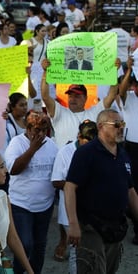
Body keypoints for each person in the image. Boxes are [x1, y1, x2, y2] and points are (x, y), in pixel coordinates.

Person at [65, 109, 138, 273]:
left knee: (109, 269)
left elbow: (131, 191)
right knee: (93, 268)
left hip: (115, 226)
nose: (120, 128)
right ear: (101, 126)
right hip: (91, 226)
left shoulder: (123, 154)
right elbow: (69, 187)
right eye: (116, 125)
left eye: (122, 124)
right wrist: (73, 223)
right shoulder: (86, 153)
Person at [4, 111, 58, 274]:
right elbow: (13, 170)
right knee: (25, 244)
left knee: (39, 245)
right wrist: (32, 150)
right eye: (36, 129)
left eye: (44, 129)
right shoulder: (17, 143)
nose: (40, 134)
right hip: (21, 204)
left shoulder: (52, 145)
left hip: (45, 205)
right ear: (27, 128)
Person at [51, 120, 97, 269]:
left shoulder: (97, 150)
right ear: (78, 136)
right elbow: (56, 181)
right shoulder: (65, 152)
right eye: (86, 141)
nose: (90, 144)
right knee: (76, 253)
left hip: (91, 212)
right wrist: (78, 185)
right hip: (69, 213)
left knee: (90, 252)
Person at [41, 59, 117, 148]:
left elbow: (112, 96)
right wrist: (45, 73)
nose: (73, 99)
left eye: (77, 96)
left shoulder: (95, 111)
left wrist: (114, 71)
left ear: (85, 98)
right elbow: (45, 96)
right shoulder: (59, 112)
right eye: (70, 96)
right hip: (65, 161)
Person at [118, 57, 138, 244]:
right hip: (132, 148)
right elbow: (121, 90)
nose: (136, 88)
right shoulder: (128, 98)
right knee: (133, 187)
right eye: (135, 84)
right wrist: (129, 71)